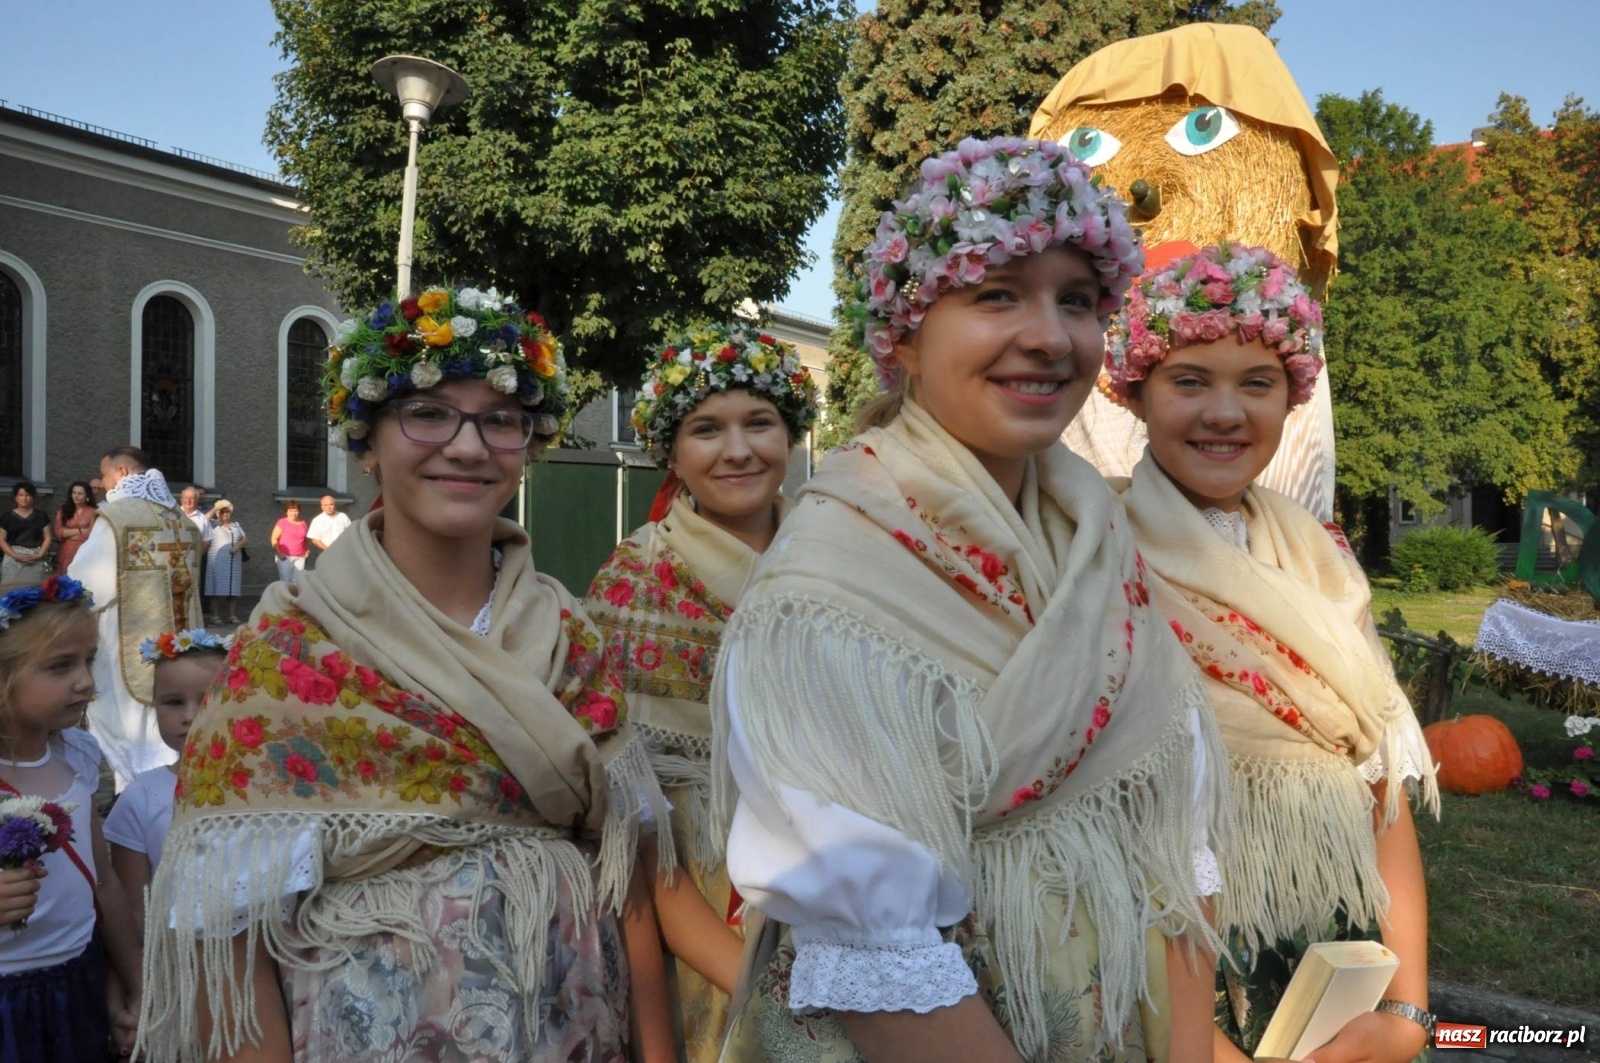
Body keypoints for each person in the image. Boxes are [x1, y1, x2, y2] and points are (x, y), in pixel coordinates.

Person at [713, 137, 1224, 1063]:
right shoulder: (830, 585)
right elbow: (880, 953)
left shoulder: (1100, 544)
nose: (1051, 336)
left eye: (1078, 299)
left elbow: (1179, 852)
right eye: (997, 293)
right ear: (904, 334)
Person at [139, 284, 674, 1063]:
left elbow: (629, 878)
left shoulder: (569, 635)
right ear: (366, 442)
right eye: (428, 412)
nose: (468, 446)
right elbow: (230, 942)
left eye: (501, 419)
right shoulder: (287, 651)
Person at [1104, 244, 1439, 1063]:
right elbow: (1085, 841)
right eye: (1190, 381)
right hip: (1162, 984)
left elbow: (1382, 791)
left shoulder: (1322, 560)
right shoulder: (1095, 558)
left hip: (1337, 975)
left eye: (1257, 383)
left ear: (1293, 396)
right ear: (1136, 391)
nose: (1225, 412)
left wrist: (1406, 1011)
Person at [586, 323, 818, 1062]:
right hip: (700, 911)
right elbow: (630, 828)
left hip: (847, 892)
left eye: (760, 423)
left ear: (792, 434)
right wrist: (749, 977)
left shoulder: (840, 561)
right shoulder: (634, 580)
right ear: (672, 451)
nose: (738, 449)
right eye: (707, 429)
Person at [0, 574, 144, 1062]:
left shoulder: (77, 754)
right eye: (61, 666)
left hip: (75, 981)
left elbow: (103, 880)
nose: (85, 681)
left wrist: (138, 984)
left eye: (89, 660)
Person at [68, 446, 204, 789]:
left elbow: (88, 584)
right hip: (181, 640)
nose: (101, 484)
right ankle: (169, 789)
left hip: (127, 639)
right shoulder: (182, 520)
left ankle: (137, 795)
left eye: (105, 475)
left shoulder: (118, 518)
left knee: (128, 722)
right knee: (169, 718)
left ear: (123, 473)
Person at [106, 627, 230, 940]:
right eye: (173, 702)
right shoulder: (141, 797)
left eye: (208, 700)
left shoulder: (267, 790)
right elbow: (136, 910)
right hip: (174, 953)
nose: (190, 716)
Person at [0, 482, 54, 582]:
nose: (24, 498)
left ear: (33, 497)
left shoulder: (41, 516)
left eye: (27, 495)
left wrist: (40, 555)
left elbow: (48, 537)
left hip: (36, 557)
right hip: (13, 557)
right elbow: (1, 539)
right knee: (12, 588)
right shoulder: (7, 516)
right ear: (15, 497)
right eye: (21, 495)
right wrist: (15, 556)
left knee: (35, 588)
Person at [203, 501, 247, 625]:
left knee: (233, 589)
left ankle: (232, 615)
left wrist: (238, 545)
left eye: (227, 512)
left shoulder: (236, 525)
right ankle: (215, 615)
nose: (225, 514)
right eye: (222, 512)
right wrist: (216, 508)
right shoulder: (213, 524)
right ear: (218, 513)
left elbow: (245, 539)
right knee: (216, 589)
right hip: (217, 561)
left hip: (234, 562)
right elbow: (204, 519)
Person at [52, 481, 98, 575]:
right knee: (64, 576)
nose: (76, 496)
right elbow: (58, 531)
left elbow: (91, 533)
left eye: (80, 493)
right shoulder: (63, 511)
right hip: (65, 550)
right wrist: (79, 530)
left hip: (84, 550)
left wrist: (68, 534)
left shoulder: (94, 512)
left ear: (87, 495)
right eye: (74, 493)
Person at [178, 487, 215, 593]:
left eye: (192, 498)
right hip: (175, 559)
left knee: (193, 587)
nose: (188, 501)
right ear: (181, 499)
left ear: (197, 500)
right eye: (186, 498)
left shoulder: (202, 518)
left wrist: (197, 555)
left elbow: (207, 541)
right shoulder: (173, 515)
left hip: (195, 560)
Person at [270, 500, 311, 586]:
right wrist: (279, 553)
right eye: (291, 511)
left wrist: (306, 551)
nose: (293, 513)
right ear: (287, 512)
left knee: (298, 582)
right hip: (285, 557)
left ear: (299, 512)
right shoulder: (282, 522)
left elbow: (304, 539)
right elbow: (274, 538)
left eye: (296, 510)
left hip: (300, 557)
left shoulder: (303, 523)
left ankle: (296, 596)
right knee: (286, 582)